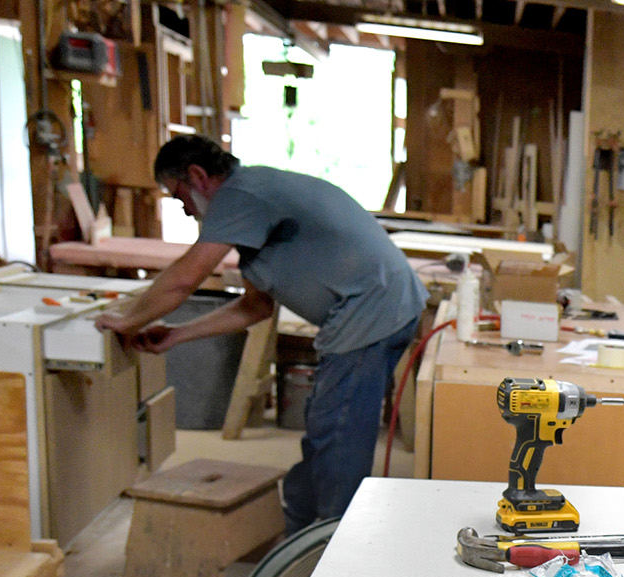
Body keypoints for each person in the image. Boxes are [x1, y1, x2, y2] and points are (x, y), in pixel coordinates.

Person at [96, 135, 427, 533]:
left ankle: (332, 543)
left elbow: (184, 279)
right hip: (383, 307)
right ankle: (299, 532)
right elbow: (255, 306)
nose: (184, 210)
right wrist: (177, 335)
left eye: (178, 195)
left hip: (370, 312)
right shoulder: (255, 202)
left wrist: (127, 320)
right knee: (326, 430)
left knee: (338, 434)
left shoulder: (240, 196)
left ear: (198, 176)